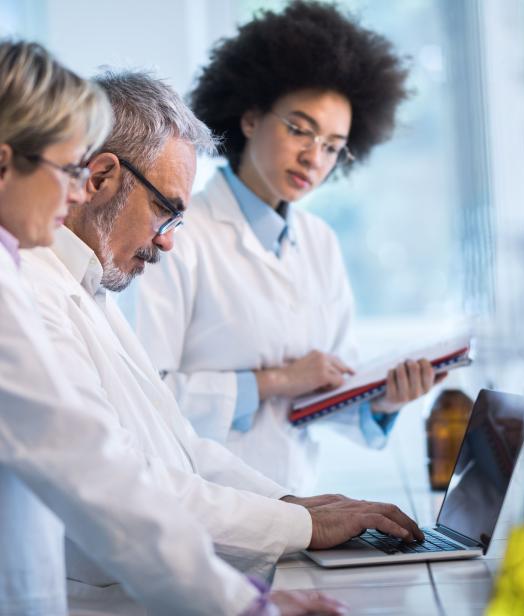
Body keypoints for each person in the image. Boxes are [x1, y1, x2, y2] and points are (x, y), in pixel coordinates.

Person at [19, 68, 425, 610]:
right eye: (166, 210)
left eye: (332, 146)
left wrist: (294, 505)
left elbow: (180, 446)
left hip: (206, 547)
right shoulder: (33, 288)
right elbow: (117, 485)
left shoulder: (89, 285)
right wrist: (278, 552)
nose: (167, 244)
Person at [132, 0, 444, 493]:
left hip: (298, 507)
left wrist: (383, 400)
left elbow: (324, 392)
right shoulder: (175, 233)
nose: (312, 157)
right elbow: (143, 397)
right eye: (300, 128)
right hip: (203, 512)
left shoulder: (319, 244)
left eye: (331, 145)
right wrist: (274, 381)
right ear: (252, 117)